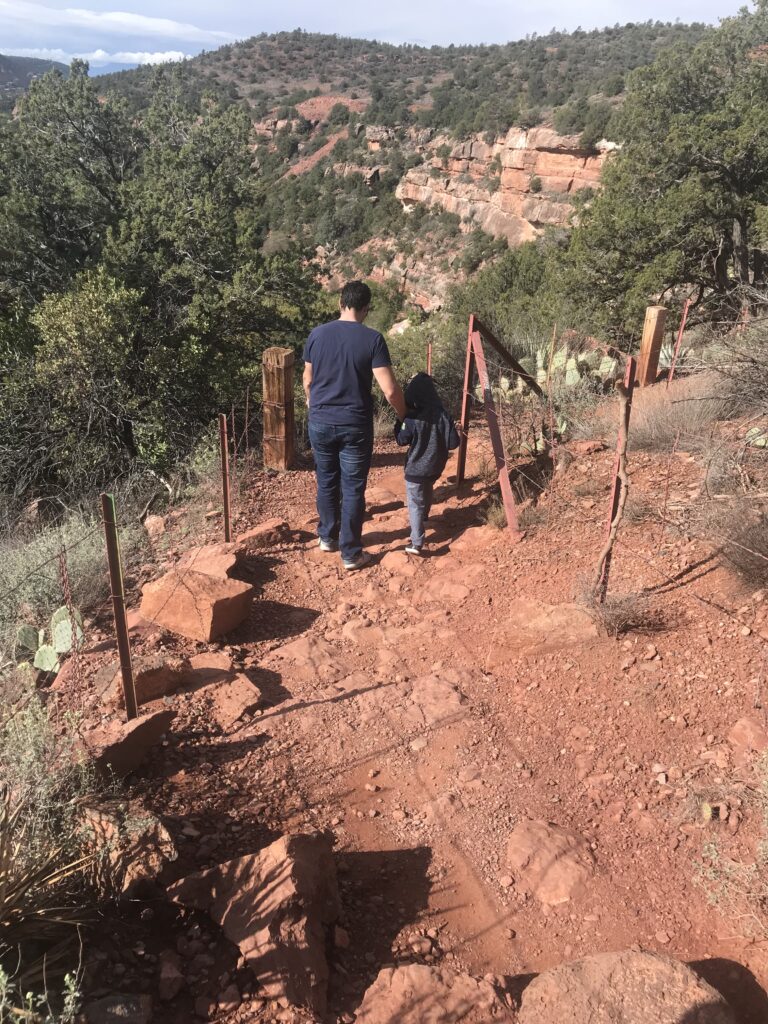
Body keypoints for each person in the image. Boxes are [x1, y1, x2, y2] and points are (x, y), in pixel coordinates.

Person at [303, 280, 406, 571]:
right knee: (352, 488)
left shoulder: (317, 334)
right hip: (354, 425)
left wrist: (313, 404)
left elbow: (307, 379)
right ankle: (350, 553)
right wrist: (404, 415)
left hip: (320, 421)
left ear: (340, 303)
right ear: (366, 308)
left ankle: (327, 537)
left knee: (326, 481)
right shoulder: (373, 339)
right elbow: (390, 390)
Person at [394, 372, 460, 555]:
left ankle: (416, 543)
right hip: (435, 468)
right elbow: (453, 443)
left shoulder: (412, 418)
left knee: (414, 503)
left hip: (415, 469)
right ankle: (424, 516)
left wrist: (399, 424)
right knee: (428, 488)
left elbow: (401, 440)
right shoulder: (444, 416)